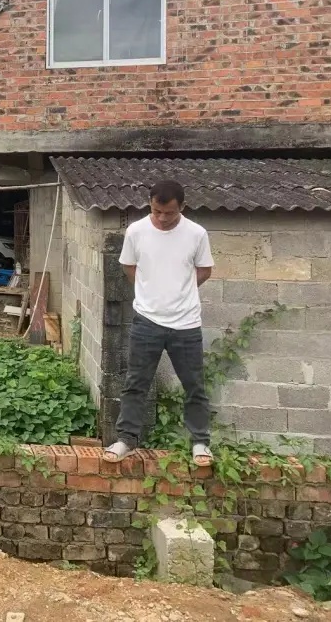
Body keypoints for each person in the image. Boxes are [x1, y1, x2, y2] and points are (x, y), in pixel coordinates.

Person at [103, 180, 215, 468]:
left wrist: (179, 291)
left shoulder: (196, 234)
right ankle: (126, 440)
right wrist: (151, 291)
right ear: (150, 204)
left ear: (182, 207)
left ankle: (200, 442)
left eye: (169, 213)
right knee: (135, 383)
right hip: (146, 321)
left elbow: (204, 270)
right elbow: (129, 267)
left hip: (186, 323)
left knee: (194, 385)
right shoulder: (136, 231)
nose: (162, 218)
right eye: (156, 211)